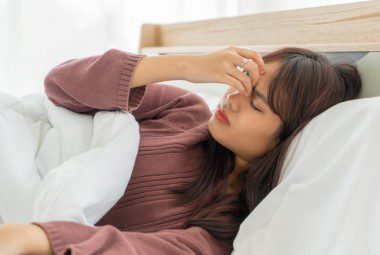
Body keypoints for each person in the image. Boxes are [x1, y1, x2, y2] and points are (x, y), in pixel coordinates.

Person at [0, 46, 362, 254]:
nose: (234, 98)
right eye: (240, 83)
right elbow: (61, 86)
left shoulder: (228, 228)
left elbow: (139, 251)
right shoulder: (186, 112)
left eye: (256, 104)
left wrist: (37, 237)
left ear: (289, 138)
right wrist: (188, 66)